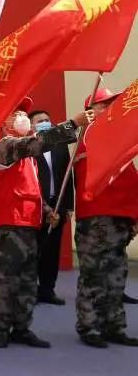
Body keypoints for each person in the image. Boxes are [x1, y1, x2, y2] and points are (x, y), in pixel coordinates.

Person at [0, 97, 86, 349]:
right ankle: (2, 328)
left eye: (24, 113)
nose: (22, 117)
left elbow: (32, 190)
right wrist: (73, 124)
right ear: (4, 123)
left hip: (29, 224)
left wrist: (47, 210)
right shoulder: (6, 145)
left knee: (27, 278)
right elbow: (36, 142)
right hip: (8, 224)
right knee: (5, 278)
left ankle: (22, 327)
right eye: (17, 114)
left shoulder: (28, 157)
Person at [71, 88, 138, 348]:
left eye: (112, 103)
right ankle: (89, 326)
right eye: (105, 104)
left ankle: (114, 326)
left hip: (119, 216)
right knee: (94, 275)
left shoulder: (116, 136)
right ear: (92, 110)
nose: (111, 108)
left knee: (116, 274)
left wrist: (134, 215)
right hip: (96, 217)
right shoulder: (90, 134)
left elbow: (130, 180)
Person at [29, 109, 72, 306]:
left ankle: (47, 290)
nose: (45, 123)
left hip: (57, 204)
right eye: (40, 121)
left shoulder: (59, 144)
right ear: (32, 125)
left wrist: (68, 206)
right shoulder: (28, 146)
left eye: (47, 119)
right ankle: (30, 290)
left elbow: (67, 175)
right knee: (33, 250)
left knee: (52, 250)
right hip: (36, 205)